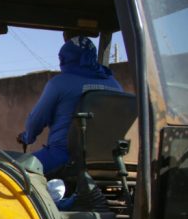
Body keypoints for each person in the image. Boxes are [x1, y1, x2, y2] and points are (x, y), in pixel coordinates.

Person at [17, 34, 122, 174]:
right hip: (110, 161)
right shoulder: (114, 85)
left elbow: (36, 121)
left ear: (67, 58)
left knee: (9, 171)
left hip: (64, 156)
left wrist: (27, 137)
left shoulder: (60, 83)